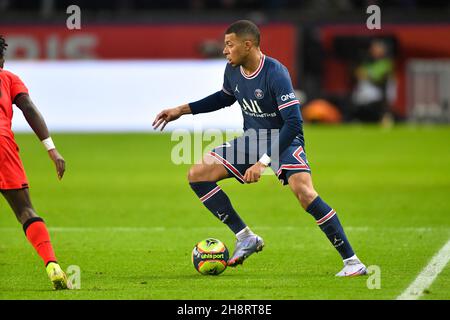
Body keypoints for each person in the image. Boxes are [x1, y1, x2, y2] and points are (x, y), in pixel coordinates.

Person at [153, 20, 367, 276]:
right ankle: (245, 238)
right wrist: (181, 110)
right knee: (197, 174)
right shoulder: (232, 70)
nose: (224, 50)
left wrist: (263, 162)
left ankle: (352, 262)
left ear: (248, 44)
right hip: (252, 139)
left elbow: (294, 122)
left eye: (229, 45)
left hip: (284, 139)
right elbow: (223, 98)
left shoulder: (276, 73)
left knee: (305, 192)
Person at [0, 36, 71, 289]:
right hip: (2, 144)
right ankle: (52, 265)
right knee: (25, 211)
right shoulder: (8, 78)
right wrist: (52, 150)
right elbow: (28, 107)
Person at [351, 39, 395, 124]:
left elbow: (381, 81)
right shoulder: (367, 62)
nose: (373, 50)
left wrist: (367, 77)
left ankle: (384, 116)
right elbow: (358, 73)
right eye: (373, 48)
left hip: (379, 92)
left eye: (376, 48)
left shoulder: (386, 63)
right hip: (364, 92)